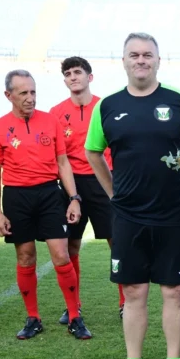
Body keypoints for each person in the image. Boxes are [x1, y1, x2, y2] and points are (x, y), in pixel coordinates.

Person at [85, 33, 180, 359]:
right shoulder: (107, 105)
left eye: (147, 55)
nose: (141, 60)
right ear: (123, 61)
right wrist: (113, 193)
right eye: (134, 55)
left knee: (174, 291)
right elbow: (94, 151)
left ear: (158, 60)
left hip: (172, 214)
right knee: (134, 290)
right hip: (128, 215)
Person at [0, 70, 90, 340]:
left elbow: (63, 163)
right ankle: (33, 318)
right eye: (23, 93)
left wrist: (74, 198)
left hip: (48, 194)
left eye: (33, 92)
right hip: (16, 197)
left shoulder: (51, 121)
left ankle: (75, 317)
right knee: (25, 257)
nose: (30, 98)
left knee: (61, 255)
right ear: (8, 95)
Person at [49, 56, 124, 323]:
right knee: (72, 245)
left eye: (78, 72)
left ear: (89, 77)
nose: (73, 77)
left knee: (117, 242)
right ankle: (74, 305)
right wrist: (70, 192)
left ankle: (124, 302)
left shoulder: (107, 106)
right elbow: (58, 155)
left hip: (104, 180)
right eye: (68, 73)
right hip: (72, 185)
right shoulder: (56, 113)